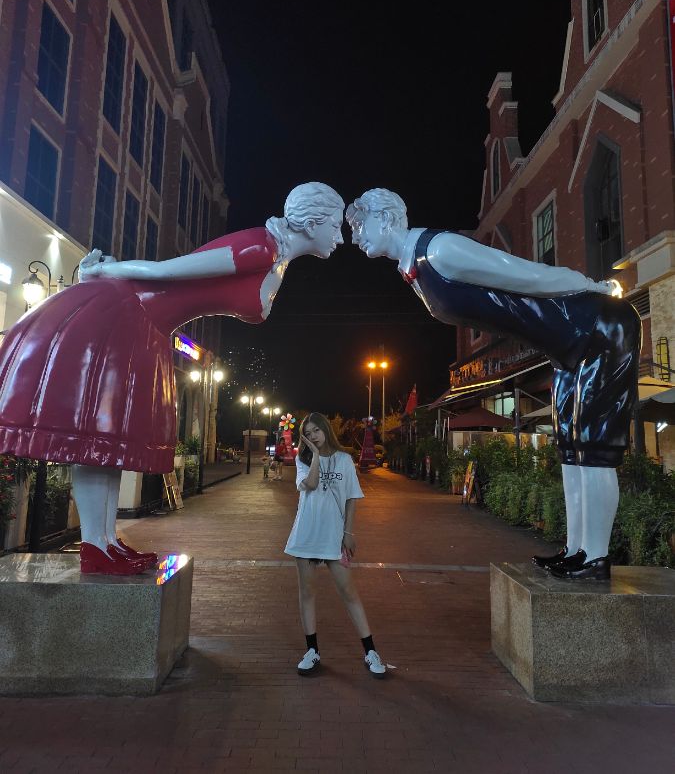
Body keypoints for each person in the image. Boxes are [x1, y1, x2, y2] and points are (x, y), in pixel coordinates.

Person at [0, 183, 344, 575]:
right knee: (98, 437)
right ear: (312, 223)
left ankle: (105, 541)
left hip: (147, 326)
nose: (339, 236)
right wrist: (102, 270)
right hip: (125, 311)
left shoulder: (276, 258)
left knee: (110, 442)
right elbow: (166, 270)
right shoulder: (259, 247)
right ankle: (96, 546)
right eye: (335, 226)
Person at [347, 188, 641, 582]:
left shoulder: (440, 250)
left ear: (386, 218)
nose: (356, 237)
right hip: (565, 346)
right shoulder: (416, 269)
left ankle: (596, 557)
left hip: (598, 327)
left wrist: (591, 285)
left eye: (360, 225)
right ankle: (577, 549)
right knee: (570, 448)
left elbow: (525, 274)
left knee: (592, 447)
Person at [285, 413, 387, 677]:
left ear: (326, 430)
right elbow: (311, 484)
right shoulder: (303, 460)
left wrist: (348, 532)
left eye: (317, 430)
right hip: (306, 534)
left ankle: (370, 652)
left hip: (334, 535)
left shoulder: (344, 459)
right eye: (308, 433)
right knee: (307, 593)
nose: (314, 436)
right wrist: (315, 456)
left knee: (349, 592)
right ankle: (312, 651)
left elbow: (352, 497)